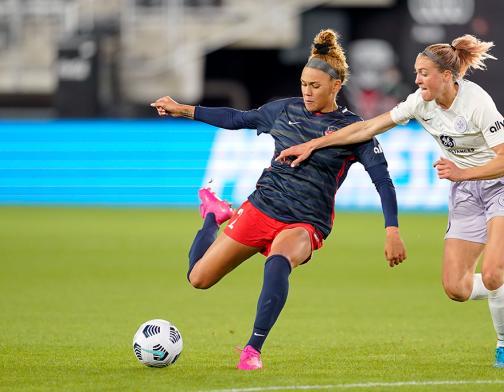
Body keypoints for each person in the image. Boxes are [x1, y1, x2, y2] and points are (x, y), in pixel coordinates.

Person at [276, 34, 504, 368]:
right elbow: (368, 127)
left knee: (491, 275)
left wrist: (461, 173)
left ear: (447, 76)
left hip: (501, 186)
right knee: (456, 288)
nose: (417, 79)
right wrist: (314, 144)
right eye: (416, 72)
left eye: (424, 73)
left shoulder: (477, 103)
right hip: (466, 194)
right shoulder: (420, 102)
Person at [150, 29, 407, 371]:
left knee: (278, 261)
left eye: (315, 86)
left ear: (336, 86)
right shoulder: (283, 111)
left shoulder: (353, 129)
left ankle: (252, 349)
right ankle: (213, 214)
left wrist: (392, 230)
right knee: (198, 279)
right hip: (262, 206)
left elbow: (383, 180)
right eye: (303, 83)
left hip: (305, 222)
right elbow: (237, 118)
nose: (307, 91)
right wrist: (183, 109)